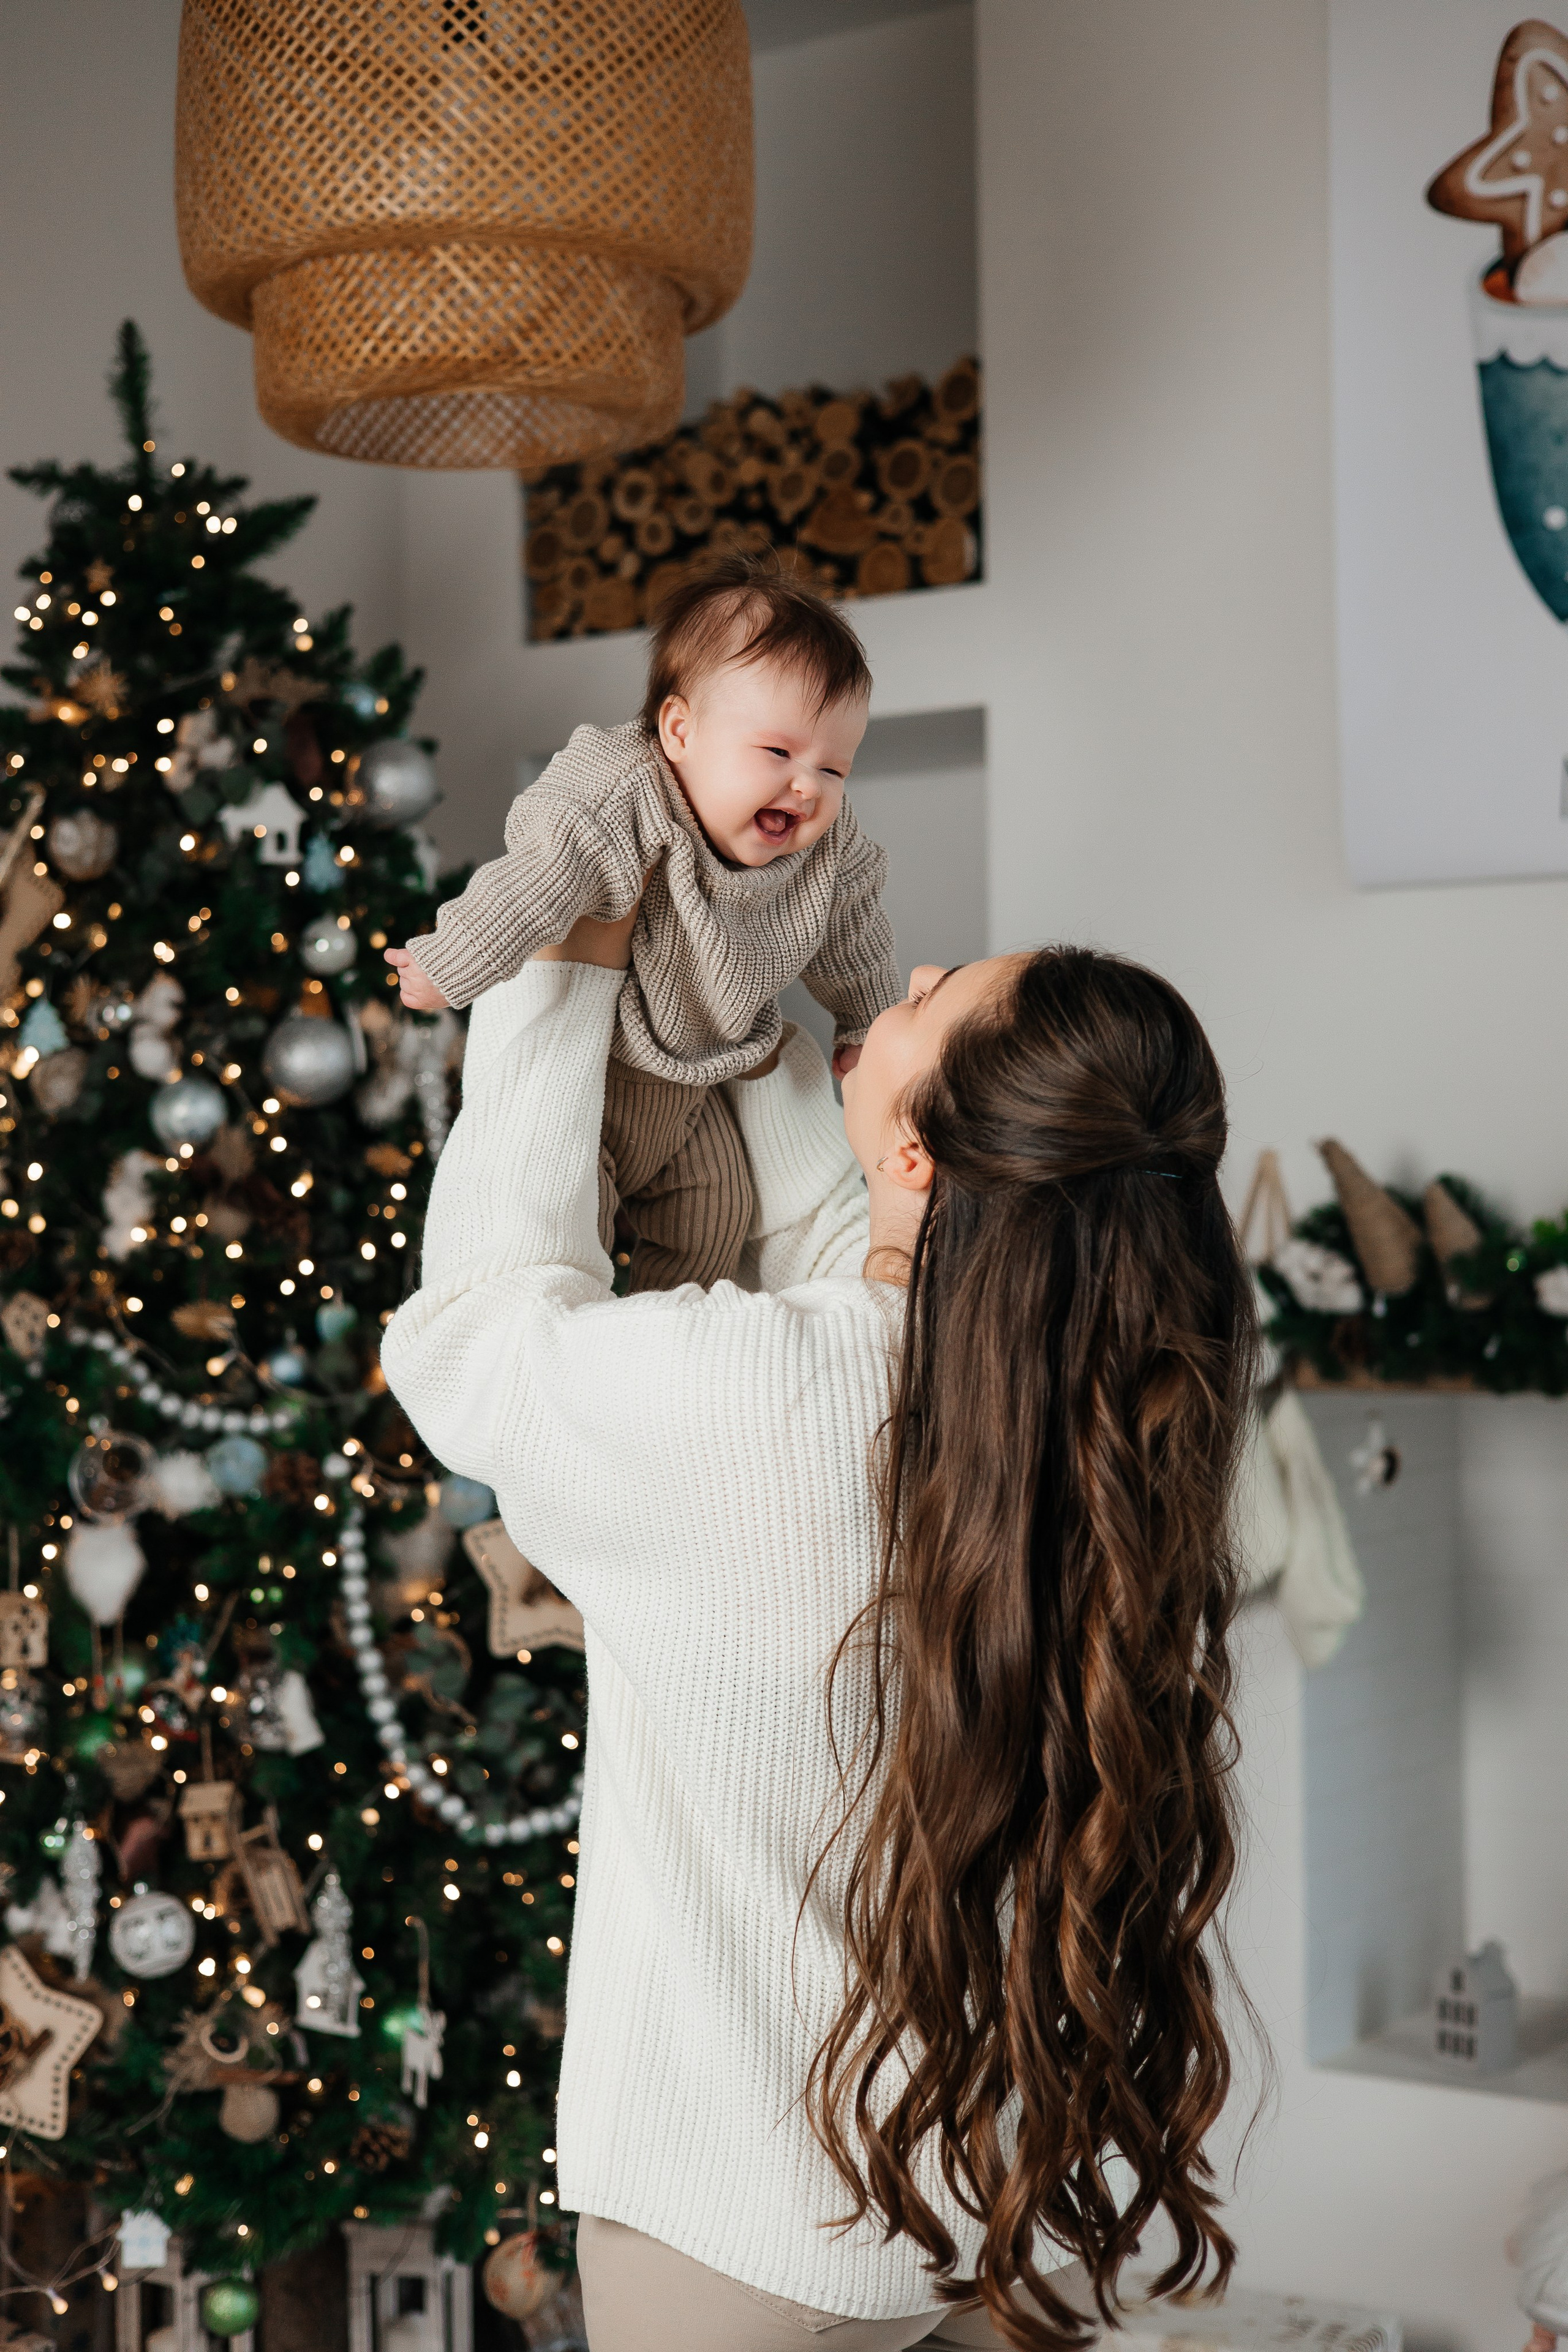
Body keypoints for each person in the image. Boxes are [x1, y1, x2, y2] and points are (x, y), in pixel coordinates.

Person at [381, 908, 1257, 2351]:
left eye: (932, 997)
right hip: (989, 2195)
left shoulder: (753, 1403)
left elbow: (468, 1332)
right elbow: (855, 1224)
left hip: (738, 2233)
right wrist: (724, 997)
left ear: (921, 1157)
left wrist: (567, 949)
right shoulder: (1099, 1427)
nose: (902, 976)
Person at [383, 553, 900, 1292]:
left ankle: (663, 1345)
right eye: (779, 752)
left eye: (835, 767)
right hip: (595, 1079)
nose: (807, 786)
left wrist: (866, 1023)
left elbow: (854, 931)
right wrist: (454, 960)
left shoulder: (829, 842)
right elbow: (539, 875)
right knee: (565, 1231)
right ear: (679, 731)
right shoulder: (623, 790)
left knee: (717, 1216)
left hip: (695, 1085)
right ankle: (589, 1332)